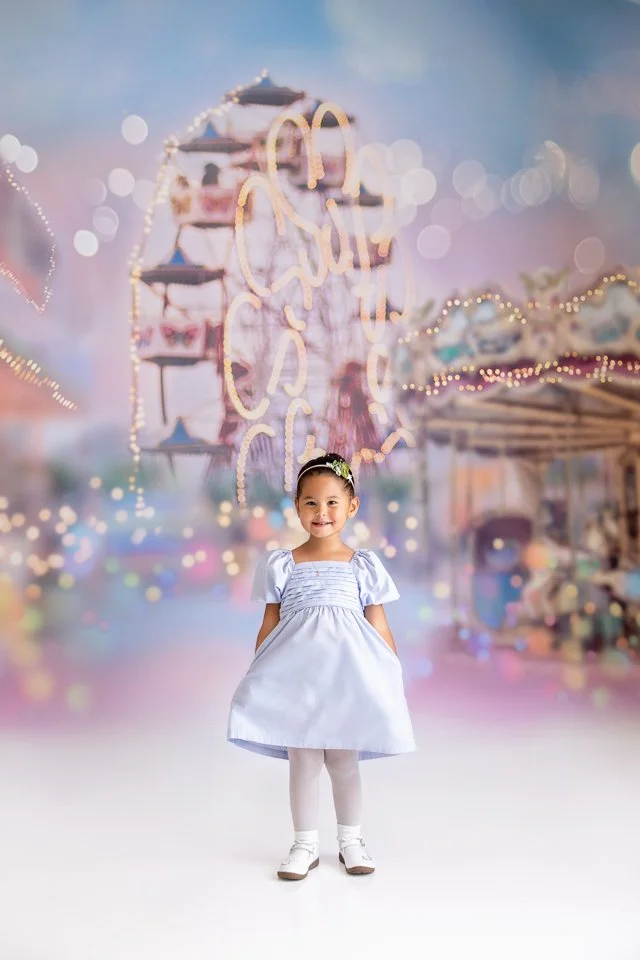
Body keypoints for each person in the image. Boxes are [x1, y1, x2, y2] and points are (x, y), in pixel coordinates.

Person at [227, 453, 415, 880]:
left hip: (347, 677)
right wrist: (260, 672)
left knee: (344, 760)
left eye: (332, 502)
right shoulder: (282, 563)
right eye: (310, 502)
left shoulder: (362, 565)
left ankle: (351, 840)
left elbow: (378, 623)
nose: (321, 512)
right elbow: (270, 623)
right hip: (298, 678)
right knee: (304, 760)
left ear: (352, 506)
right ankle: (304, 844)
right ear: (296, 506)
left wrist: (390, 672)